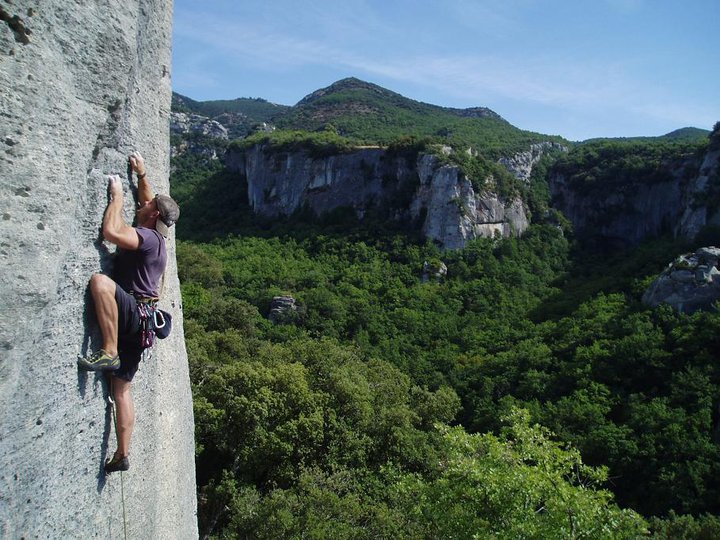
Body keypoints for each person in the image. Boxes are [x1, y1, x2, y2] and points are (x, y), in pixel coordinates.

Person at [78, 151, 180, 474]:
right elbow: (152, 202)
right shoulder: (161, 237)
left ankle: (108, 350)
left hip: (133, 312)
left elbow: (111, 231)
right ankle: (122, 453)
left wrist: (118, 197)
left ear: (152, 217)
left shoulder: (147, 238)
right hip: (144, 324)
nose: (143, 203)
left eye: (146, 206)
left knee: (100, 283)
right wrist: (142, 175)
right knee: (121, 389)